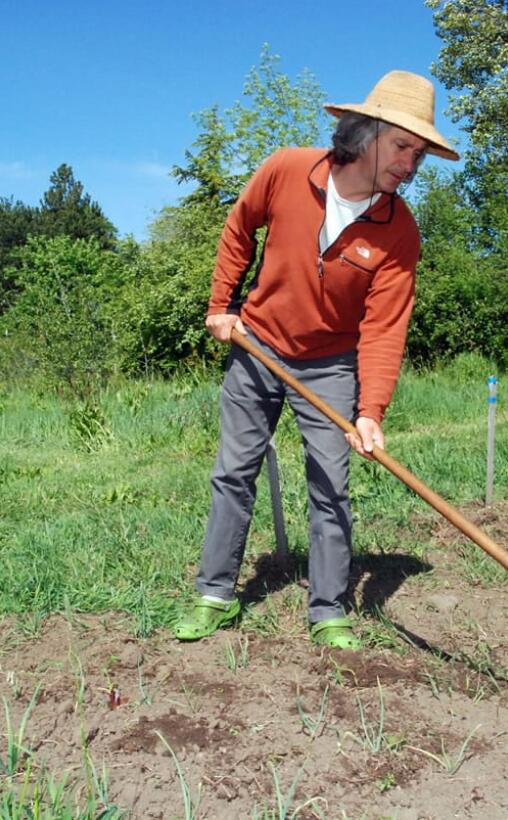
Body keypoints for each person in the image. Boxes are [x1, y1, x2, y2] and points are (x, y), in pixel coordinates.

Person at [174, 70, 459, 649]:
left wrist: (370, 409)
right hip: (256, 345)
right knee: (235, 473)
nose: (411, 164)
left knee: (331, 483)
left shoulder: (397, 229)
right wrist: (220, 306)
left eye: (421, 153)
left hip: (331, 365)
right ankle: (215, 594)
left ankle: (328, 609)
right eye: (404, 146)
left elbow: (384, 326)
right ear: (368, 132)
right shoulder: (287, 170)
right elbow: (238, 229)